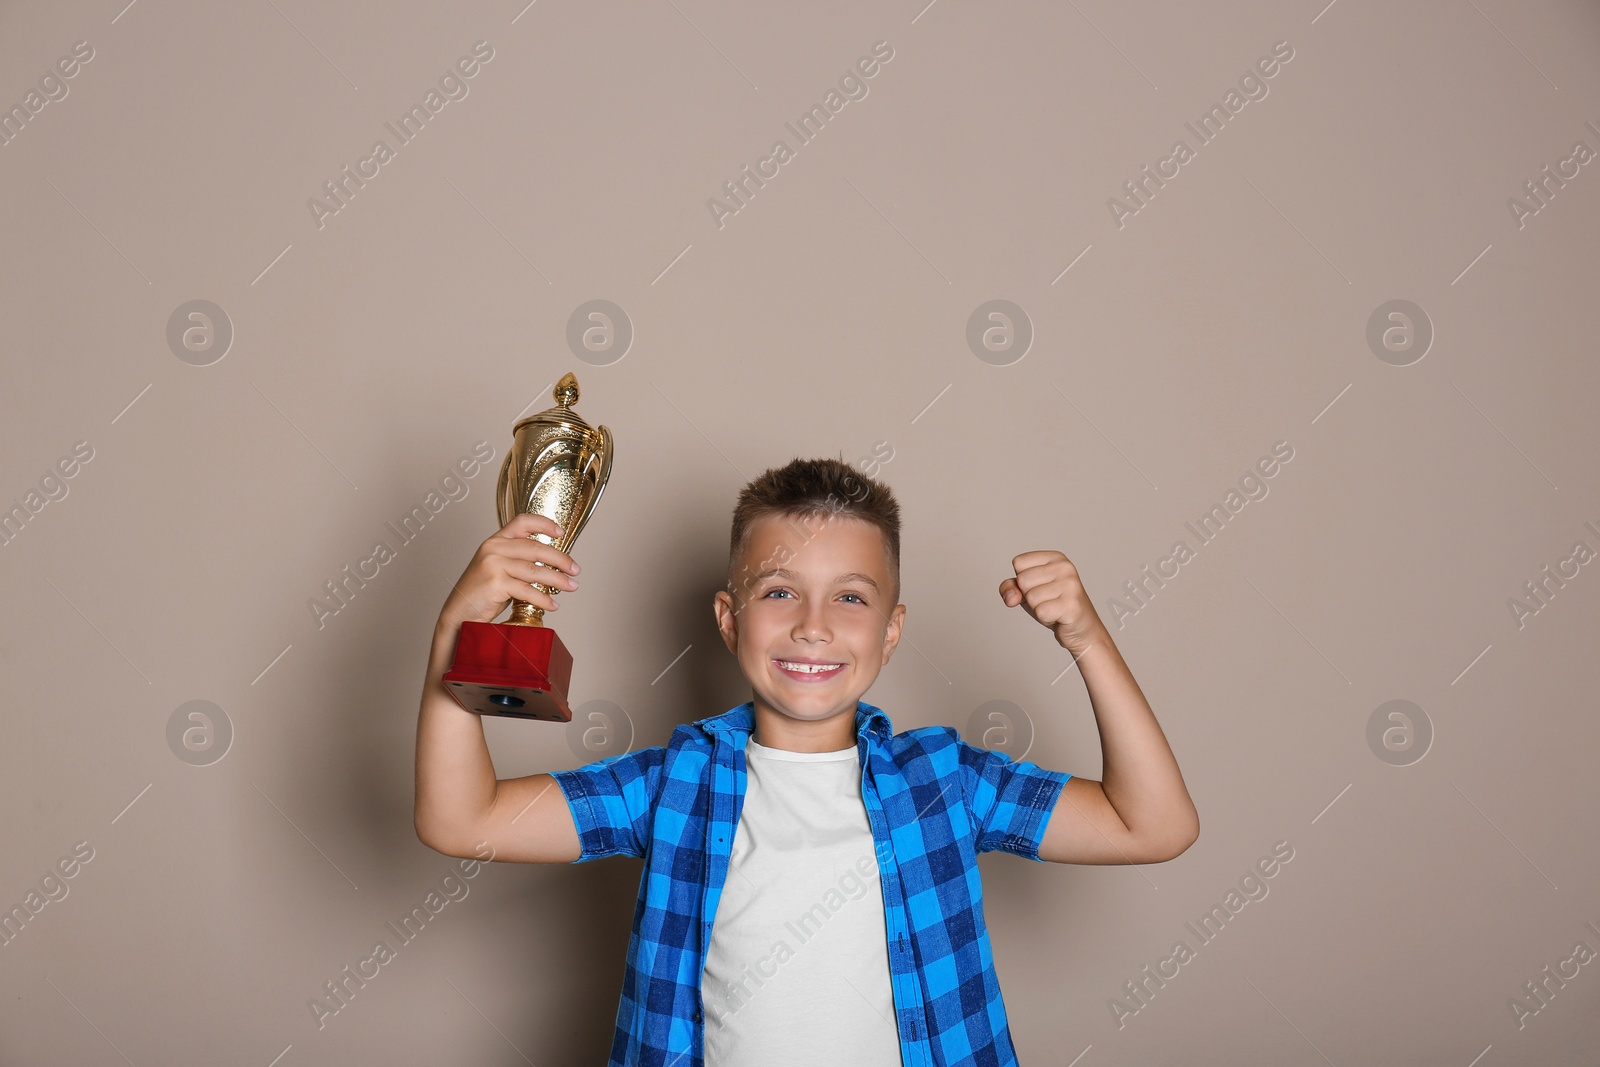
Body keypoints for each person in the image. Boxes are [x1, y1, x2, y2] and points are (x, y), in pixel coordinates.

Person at [414, 456, 1199, 1066]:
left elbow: (1153, 825)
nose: (814, 627)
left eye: (851, 598)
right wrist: (459, 630)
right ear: (730, 619)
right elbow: (461, 817)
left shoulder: (944, 782)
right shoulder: (673, 783)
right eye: (780, 591)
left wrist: (1088, 639)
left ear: (890, 631)